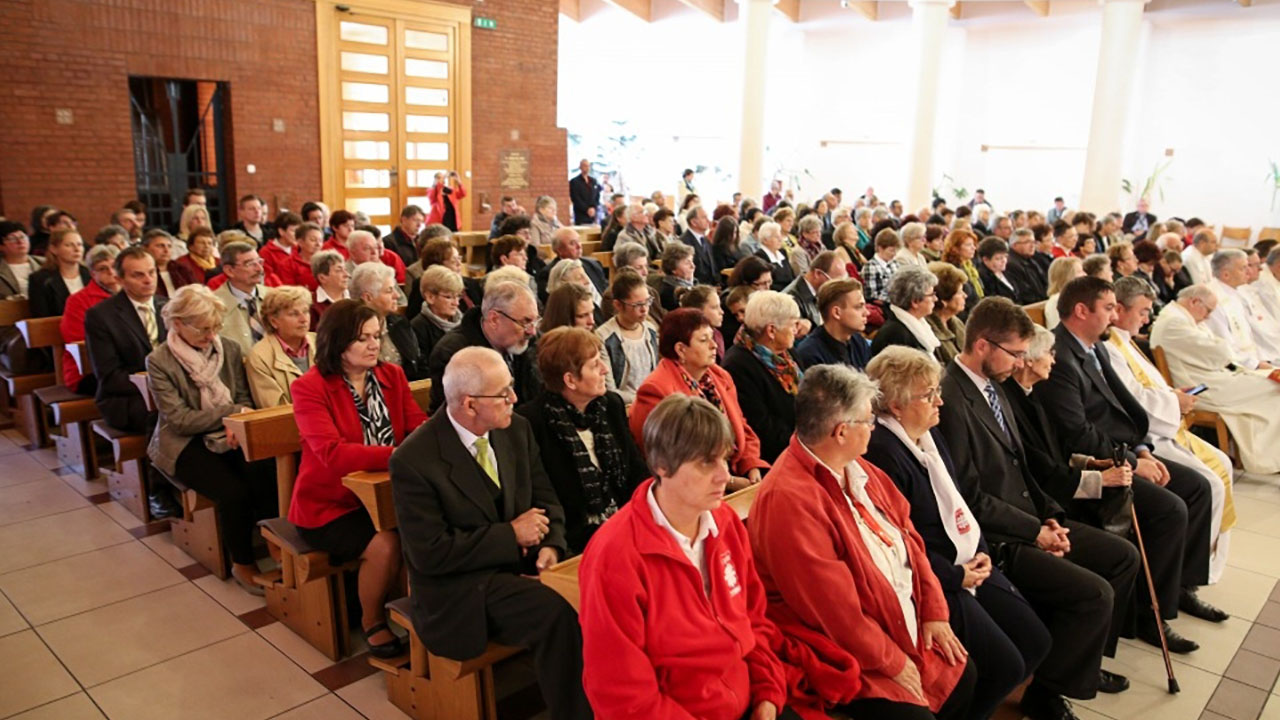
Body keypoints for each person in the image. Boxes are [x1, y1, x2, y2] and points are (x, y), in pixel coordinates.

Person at [937, 297, 1140, 717]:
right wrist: (1034, 532)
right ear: (981, 345)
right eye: (1014, 353)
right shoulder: (951, 399)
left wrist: (1052, 516)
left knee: (1122, 557)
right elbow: (968, 496)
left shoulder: (995, 387)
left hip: (1029, 517)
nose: (1019, 363)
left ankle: (1079, 660)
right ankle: (1047, 692)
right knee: (1094, 594)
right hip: (995, 537)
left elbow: (1023, 464)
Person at [748, 365, 976, 720]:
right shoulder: (789, 499)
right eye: (869, 421)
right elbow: (834, 611)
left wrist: (933, 609)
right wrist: (894, 661)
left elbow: (911, 541)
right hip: (844, 649)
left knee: (970, 673)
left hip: (896, 621)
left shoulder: (861, 468)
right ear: (841, 431)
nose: (874, 428)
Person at [391, 346, 590, 718]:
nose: (515, 398)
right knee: (559, 611)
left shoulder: (515, 428)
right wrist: (510, 535)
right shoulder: (414, 460)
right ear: (469, 405)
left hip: (521, 565)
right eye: (503, 393)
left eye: (511, 387)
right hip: (462, 586)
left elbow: (546, 497)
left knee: (594, 590)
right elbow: (430, 553)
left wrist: (551, 547)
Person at [580, 393, 796, 719]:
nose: (724, 475)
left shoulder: (725, 524)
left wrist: (767, 694)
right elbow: (623, 693)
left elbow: (754, 622)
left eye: (724, 459)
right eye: (706, 462)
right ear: (661, 466)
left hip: (747, 700)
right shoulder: (616, 556)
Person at [865, 347, 1051, 720]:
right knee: (1003, 666)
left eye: (937, 390)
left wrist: (979, 550)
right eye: (928, 394)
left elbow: (960, 502)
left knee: (1036, 640)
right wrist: (956, 574)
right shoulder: (884, 454)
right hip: (935, 576)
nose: (940, 401)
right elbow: (900, 543)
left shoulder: (930, 436)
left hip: (969, 558)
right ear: (897, 406)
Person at [1036, 277, 1218, 654]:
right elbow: (1077, 433)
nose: (1115, 315)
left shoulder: (1095, 348)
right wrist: (1133, 461)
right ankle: (1153, 613)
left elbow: (1124, 409)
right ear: (1081, 310)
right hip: (1095, 461)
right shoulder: (1061, 357)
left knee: (1198, 486)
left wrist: (1144, 448)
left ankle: (1180, 585)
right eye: (1108, 308)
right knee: (1170, 508)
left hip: (1124, 449)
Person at [291, 300, 427, 658]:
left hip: (390, 493)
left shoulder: (391, 376)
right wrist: (398, 454)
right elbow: (331, 454)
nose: (374, 345)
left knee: (431, 530)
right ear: (337, 342)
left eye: (376, 336)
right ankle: (373, 621)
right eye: (363, 338)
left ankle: (426, 615)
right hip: (331, 504)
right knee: (386, 543)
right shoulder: (310, 387)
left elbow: (415, 427)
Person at [1104, 278, 1235, 585]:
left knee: (1222, 465)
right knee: (1210, 484)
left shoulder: (1126, 340)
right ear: (1120, 309)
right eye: (1143, 311)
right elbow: (1133, 399)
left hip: (1161, 425)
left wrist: (1173, 394)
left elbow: (1147, 386)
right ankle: (1191, 575)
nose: (1147, 319)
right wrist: (1174, 402)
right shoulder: (1111, 347)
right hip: (1149, 433)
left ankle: (1203, 564)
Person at [146, 284, 276, 593]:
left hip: (230, 430)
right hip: (183, 442)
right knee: (234, 493)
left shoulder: (227, 347)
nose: (211, 335)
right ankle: (243, 562)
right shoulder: (159, 361)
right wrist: (229, 413)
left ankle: (280, 550)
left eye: (215, 326)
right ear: (178, 324)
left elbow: (244, 397)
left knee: (266, 470)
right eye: (204, 329)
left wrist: (237, 421)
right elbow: (179, 419)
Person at [519, 327, 648, 553]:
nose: (605, 370)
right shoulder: (531, 422)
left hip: (627, 522)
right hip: (575, 538)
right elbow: (546, 498)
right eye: (595, 365)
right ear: (570, 380)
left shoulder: (611, 405)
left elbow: (636, 470)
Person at [631, 309, 768, 489]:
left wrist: (751, 465)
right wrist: (729, 481)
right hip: (691, 486)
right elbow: (675, 459)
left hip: (731, 472)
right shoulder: (657, 390)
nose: (713, 345)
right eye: (703, 340)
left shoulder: (719, 376)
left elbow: (741, 426)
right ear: (680, 349)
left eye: (712, 337)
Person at [1151, 285, 1280, 474]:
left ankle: (1268, 455)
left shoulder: (1183, 317)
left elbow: (1217, 349)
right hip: (1201, 387)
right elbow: (1220, 352)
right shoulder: (1174, 322)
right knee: (1273, 388)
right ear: (1194, 302)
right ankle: (1269, 458)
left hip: (1210, 377)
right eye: (1209, 310)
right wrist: (1223, 347)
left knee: (1269, 381)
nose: (1209, 316)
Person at [426, 280, 541, 413]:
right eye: (525, 322)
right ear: (494, 319)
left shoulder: (532, 342)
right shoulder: (453, 353)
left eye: (535, 321)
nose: (532, 331)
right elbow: (461, 417)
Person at [723, 291, 803, 463]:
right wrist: (808, 444)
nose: (797, 330)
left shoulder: (788, 354)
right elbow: (761, 427)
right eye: (793, 325)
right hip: (777, 457)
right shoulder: (738, 365)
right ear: (772, 331)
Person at [349, 261, 425, 381]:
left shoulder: (400, 323)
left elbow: (417, 363)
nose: (397, 296)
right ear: (368, 298)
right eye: (389, 291)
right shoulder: (350, 331)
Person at [1206, 249, 1280, 365]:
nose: (1248, 272)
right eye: (1243, 268)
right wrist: (1255, 364)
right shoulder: (1214, 299)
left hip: (1254, 359)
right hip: (1234, 366)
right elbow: (1223, 343)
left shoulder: (1235, 293)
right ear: (1226, 274)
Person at [246, 285, 315, 408]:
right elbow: (275, 409)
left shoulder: (322, 342)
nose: (304, 319)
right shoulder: (259, 356)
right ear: (274, 321)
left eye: (306, 311)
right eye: (294, 314)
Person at [595, 272, 659, 404]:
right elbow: (609, 390)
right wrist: (644, 399)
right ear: (618, 305)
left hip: (652, 401)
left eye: (647, 302)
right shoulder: (603, 336)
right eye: (637, 305)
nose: (645, 310)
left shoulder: (650, 329)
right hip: (624, 407)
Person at [793, 278, 871, 371]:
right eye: (859, 307)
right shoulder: (810, 354)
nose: (867, 313)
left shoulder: (858, 341)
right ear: (836, 313)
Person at [870, 267, 942, 360]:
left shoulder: (917, 324)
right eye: (931, 294)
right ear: (915, 301)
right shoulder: (895, 335)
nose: (935, 299)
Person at [212, 241, 268, 356]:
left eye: (259, 262)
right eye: (249, 264)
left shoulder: (274, 297)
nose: (259, 269)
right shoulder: (212, 305)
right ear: (229, 271)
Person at [28, 228, 89, 317]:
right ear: (54, 249)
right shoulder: (40, 279)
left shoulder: (91, 274)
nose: (77, 249)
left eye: (79, 245)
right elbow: (41, 317)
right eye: (69, 245)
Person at [786, 250, 845, 328]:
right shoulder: (792, 300)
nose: (837, 287)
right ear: (817, 274)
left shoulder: (819, 291)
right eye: (835, 281)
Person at [926, 263, 968, 364]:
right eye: (959, 292)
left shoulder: (957, 323)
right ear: (943, 300)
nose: (965, 296)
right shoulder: (929, 331)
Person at [141, 229, 196, 299]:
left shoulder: (182, 269)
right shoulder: (140, 271)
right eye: (160, 246)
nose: (166, 250)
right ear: (145, 248)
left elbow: (197, 292)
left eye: (169, 246)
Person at [679, 284, 728, 362]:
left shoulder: (717, 334)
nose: (721, 312)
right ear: (698, 311)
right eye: (715, 307)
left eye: (720, 306)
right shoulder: (688, 339)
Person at [0, 220, 43, 299]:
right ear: (1, 246)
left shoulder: (44, 263)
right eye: (12, 238)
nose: (20, 242)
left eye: (23, 237)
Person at [310, 249, 350, 327]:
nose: (346, 275)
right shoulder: (312, 306)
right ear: (322, 278)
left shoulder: (355, 299)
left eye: (345, 270)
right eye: (339, 270)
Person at [1043, 256, 1084, 329]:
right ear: (1067, 276)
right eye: (1079, 272)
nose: (1085, 275)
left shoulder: (1078, 297)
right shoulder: (1057, 301)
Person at [754, 221, 796, 292]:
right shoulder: (759, 257)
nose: (780, 240)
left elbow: (792, 276)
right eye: (776, 237)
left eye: (780, 236)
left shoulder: (782, 252)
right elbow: (769, 285)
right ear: (765, 240)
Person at [657, 242, 697, 312]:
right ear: (673, 269)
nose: (693, 266)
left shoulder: (695, 283)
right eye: (687, 263)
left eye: (692, 261)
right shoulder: (669, 294)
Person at [975, 237, 1017, 302]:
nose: (1004, 261)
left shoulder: (1009, 271)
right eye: (998, 258)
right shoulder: (983, 278)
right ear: (985, 259)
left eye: (1005, 256)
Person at [569, 159, 601, 225]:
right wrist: (587, 209)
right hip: (581, 214)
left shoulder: (593, 181)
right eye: (585, 166)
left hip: (593, 213)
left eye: (588, 166)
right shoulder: (575, 181)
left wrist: (594, 207)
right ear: (580, 167)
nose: (587, 168)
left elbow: (597, 195)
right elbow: (575, 198)